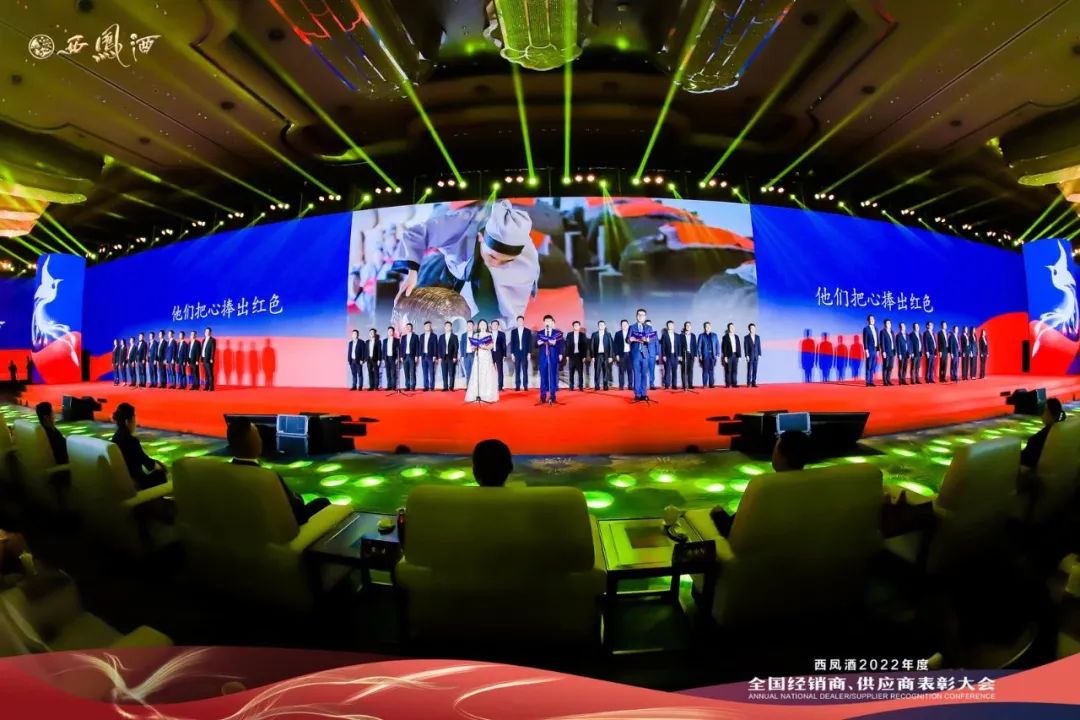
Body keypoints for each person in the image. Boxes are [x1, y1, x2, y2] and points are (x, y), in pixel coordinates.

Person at [392, 199, 540, 323]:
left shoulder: (526, 258)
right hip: (451, 270)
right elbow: (415, 234)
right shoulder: (461, 222)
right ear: (481, 237)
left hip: (485, 288)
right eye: (493, 257)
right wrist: (412, 273)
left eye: (505, 261)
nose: (496, 264)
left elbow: (513, 315)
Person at [227, 418, 330, 524]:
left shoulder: (223, 474)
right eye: (257, 435)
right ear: (256, 442)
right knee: (322, 502)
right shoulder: (268, 477)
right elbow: (297, 512)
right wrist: (298, 498)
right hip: (278, 527)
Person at [710, 430, 812, 537]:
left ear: (781, 456)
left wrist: (718, 514)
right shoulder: (812, 487)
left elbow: (730, 530)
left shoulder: (765, 489)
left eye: (775, 449)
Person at [110, 403, 167, 490]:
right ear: (128, 421)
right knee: (161, 473)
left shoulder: (115, 437)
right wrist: (161, 467)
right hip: (136, 482)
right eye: (134, 418)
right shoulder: (131, 441)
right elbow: (149, 464)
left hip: (124, 480)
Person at [1020, 398, 1066, 468]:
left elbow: (1026, 459)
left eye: (1044, 410)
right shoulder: (1063, 429)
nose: (1042, 414)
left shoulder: (1039, 438)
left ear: (1050, 413)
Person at [465, 319, 499, 403]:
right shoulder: (476, 335)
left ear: (486, 325)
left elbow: (491, 346)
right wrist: (474, 346)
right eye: (481, 324)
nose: (483, 325)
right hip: (478, 357)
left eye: (484, 324)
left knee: (487, 374)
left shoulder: (489, 334)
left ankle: (487, 394)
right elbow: (473, 347)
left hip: (487, 356)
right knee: (478, 374)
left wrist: (483, 346)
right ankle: (477, 394)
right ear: (479, 326)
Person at [536, 315, 563, 405]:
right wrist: (540, 342)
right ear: (544, 322)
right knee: (543, 377)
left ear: (552, 322)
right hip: (543, 357)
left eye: (549, 321)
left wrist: (560, 354)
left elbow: (560, 345)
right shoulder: (540, 333)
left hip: (553, 356)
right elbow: (536, 344)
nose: (548, 322)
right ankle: (543, 397)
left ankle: (552, 396)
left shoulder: (557, 333)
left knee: (552, 376)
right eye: (546, 321)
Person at [627, 310, 651, 401]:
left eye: (643, 315)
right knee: (637, 374)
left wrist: (648, 340)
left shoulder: (648, 327)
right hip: (635, 354)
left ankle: (644, 394)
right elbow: (627, 340)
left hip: (645, 354)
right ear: (637, 316)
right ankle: (637, 394)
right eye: (639, 315)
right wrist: (631, 339)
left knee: (644, 374)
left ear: (645, 317)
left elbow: (652, 339)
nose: (641, 316)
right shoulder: (632, 327)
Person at [509, 316, 532, 391]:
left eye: (521, 320)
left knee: (525, 370)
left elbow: (529, 343)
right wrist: (512, 354)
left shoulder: (528, 331)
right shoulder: (513, 331)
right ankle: (517, 386)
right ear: (517, 322)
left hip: (525, 353)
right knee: (517, 370)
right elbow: (512, 343)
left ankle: (525, 385)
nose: (520, 322)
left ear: (523, 321)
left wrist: (529, 353)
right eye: (519, 320)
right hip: (516, 353)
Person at [590, 320, 613, 390]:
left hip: (606, 355)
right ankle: (597, 386)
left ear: (605, 326)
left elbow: (611, 346)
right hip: (597, 355)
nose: (601, 326)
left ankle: (605, 386)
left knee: (605, 371)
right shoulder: (594, 334)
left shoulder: (608, 334)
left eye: (603, 325)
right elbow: (591, 345)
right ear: (598, 326)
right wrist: (592, 356)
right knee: (597, 371)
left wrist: (610, 356)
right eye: (600, 325)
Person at [565, 321, 587, 391]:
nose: (576, 326)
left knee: (580, 372)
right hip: (571, 355)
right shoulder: (569, 334)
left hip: (579, 356)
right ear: (573, 326)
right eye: (575, 325)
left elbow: (585, 346)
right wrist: (567, 355)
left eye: (577, 325)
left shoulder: (582, 335)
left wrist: (584, 356)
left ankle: (580, 386)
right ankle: (571, 386)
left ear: (579, 326)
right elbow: (567, 345)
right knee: (571, 372)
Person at [438, 321, 458, 391]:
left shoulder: (454, 336)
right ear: (444, 327)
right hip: (443, 357)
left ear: (451, 327)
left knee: (451, 372)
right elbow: (439, 347)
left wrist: (455, 356)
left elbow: (456, 347)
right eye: (446, 326)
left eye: (449, 326)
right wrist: (439, 357)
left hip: (451, 357)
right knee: (444, 373)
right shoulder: (441, 336)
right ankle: (445, 387)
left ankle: (451, 387)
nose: (447, 327)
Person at [676, 321, 697, 390]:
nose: (688, 326)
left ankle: (690, 385)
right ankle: (684, 385)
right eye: (686, 325)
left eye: (689, 325)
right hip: (684, 354)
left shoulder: (693, 336)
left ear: (691, 327)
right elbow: (679, 346)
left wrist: (695, 355)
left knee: (690, 370)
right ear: (685, 327)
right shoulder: (681, 336)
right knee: (684, 370)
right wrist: (679, 355)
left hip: (691, 354)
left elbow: (695, 346)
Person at [698, 321, 719, 389]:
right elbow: (699, 346)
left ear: (710, 327)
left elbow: (717, 345)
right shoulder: (701, 335)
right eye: (706, 326)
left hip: (713, 355)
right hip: (705, 355)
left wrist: (717, 354)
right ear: (704, 327)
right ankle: (705, 385)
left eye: (708, 326)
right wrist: (700, 355)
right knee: (705, 370)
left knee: (711, 370)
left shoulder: (714, 335)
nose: (707, 327)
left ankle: (711, 385)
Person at [419, 321, 438, 391]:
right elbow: (420, 346)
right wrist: (420, 355)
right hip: (423, 356)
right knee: (425, 372)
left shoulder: (434, 336)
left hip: (431, 356)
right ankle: (426, 386)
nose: (428, 327)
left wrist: (435, 355)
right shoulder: (421, 336)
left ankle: (432, 387)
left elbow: (435, 346)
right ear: (424, 327)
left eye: (429, 326)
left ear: (430, 327)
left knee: (431, 372)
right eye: (426, 326)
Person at [721, 322, 741, 388]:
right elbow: (724, 347)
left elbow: (739, 346)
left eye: (733, 327)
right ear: (728, 328)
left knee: (734, 370)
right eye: (730, 327)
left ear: (734, 328)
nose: (732, 328)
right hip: (729, 355)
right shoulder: (725, 337)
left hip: (736, 355)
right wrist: (725, 356)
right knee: (728, 370)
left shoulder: (737, 337)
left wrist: (739, 356)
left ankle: (734, 384)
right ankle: (728, 384)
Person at [660, 320, 678, 389]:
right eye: (669, 325)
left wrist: (679, 355)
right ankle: (667, 385)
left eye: (671, 325)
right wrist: (663, 355)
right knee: (667, 370)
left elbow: (679, 346)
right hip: (667, 355)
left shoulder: (677, 335)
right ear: (667, 326)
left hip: (675, 355)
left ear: (673, 326)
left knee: (674, 371)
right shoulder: (664, 335)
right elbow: (663, 346)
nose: (670, 326)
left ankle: (674, 385)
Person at [399, 323, 418, 391]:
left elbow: (417, 347)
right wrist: (401, 356)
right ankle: (407, 386)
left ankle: (413, 386)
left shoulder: (415, 336)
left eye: (410, 327)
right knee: (406, 372)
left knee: (412, 372)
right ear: (406, 328)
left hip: (412, 356)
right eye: (407, 327)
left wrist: (416, 356)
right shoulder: (403, 337)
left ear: (412, 328)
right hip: (405, 357)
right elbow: (401, 347)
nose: (408, 328)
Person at [490, 319, 507, 391]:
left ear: (498, 326)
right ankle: (491, 386)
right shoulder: (488, 334)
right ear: (491, 326)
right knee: (490, 370)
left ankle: (500, 386)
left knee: (500, 370)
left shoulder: (502, 334)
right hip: (490, 354)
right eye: (493, 325)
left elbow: (504, 345)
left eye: (496, 324)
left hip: (499, 353)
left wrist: (504, 355)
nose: (494, 326)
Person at [862, 315, 878, 387]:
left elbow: (877, 340)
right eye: (870, 319)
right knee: (868, 366)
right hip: (869, 349)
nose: (872, 320)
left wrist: (878, 350)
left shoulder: (876, 329)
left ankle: (871, 381)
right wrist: (866, 350)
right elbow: (865, 340)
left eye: (873, 319)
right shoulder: (866, 329)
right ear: (868, 320)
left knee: (873, 366)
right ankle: (867, 381)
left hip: (875, 349)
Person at [743, 323, 761, 388]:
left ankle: (753, 383)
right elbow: (745, 347)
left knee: (755, 369)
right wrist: (746, 355)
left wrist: (759, 354)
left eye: (753, 328)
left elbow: (759, 346)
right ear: (749, 329)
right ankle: (748, 383)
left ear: (755, 329)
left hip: (756, 355)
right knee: (749, 369)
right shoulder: (746, 337)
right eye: (751, 328)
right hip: (750, 356)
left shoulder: (757, 337)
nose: (752, 329)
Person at [383, 325, 401, 390]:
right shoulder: (385, 340)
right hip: (386, 358)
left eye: (391, 331)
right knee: (388, 373)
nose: (390, 332)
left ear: (393, 332)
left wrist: (397, 358)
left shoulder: (397, 340)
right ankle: (389, 386)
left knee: (393, 373)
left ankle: (394, 386)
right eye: (389, 331)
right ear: (387, 332)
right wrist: (383, 359)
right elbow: (383, 350)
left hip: (393, 358)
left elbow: (399, 350)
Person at [879, 318, 895, 386]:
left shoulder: (892, 332)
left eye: (889, 323)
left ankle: (888, 380)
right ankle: (885, 381)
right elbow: (882, 342)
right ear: (885, 324)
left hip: (892, 351)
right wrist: (883, 351)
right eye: (887, 323)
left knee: (891, 366)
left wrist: (895, 350)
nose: (889, 324)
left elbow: (893, 341)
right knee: (886, 366)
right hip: (886, 352)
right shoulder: (883, 332)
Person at [460, 320, 476, 385]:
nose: (469, 326)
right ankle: (468, 386)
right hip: (466, 355)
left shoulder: (476, 334)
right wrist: (462, 356)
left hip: (474, 355)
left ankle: (474, 386)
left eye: (470, 325)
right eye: (468, 325)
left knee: (474, 371)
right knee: (468, 371)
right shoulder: (463, 335)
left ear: (473, 326)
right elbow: (462, 346)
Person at [645, 319, 659, 390]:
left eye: (649, 324)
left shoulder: (654, 334)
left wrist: (657, 354)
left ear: (651, 325)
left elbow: (657, 344)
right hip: (644, 355)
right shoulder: (642, 334)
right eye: (647, 325)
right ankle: (643, 385)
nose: (648, 326)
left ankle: (652, 384)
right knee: (644, 370)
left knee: (652, 370)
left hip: (652, 355)